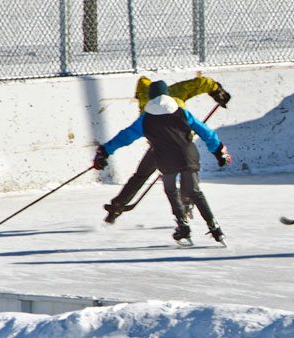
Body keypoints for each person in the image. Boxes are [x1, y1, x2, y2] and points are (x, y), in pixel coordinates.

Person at [95, 80, 232, 246]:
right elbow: (205, 130)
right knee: (193, 189)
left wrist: (105, 151)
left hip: (161, 153)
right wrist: (219, 150)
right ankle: (211, 225)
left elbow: (126, 136)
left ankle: (180, 223)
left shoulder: (145, 115)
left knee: (159, 184)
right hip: (185, 151)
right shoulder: (180, 108)